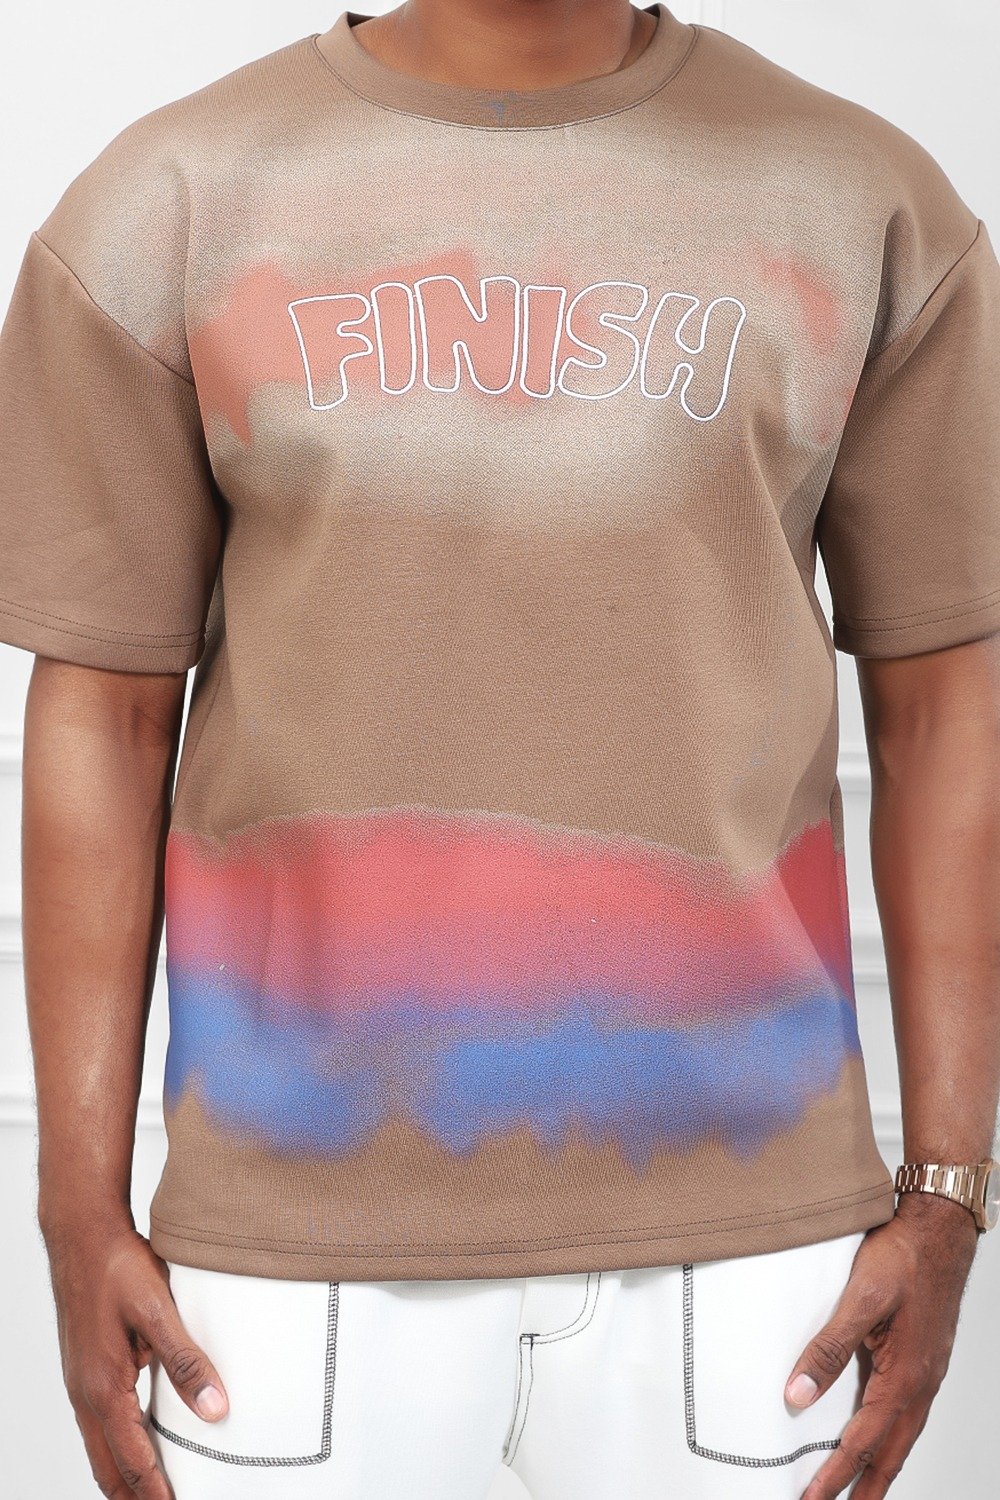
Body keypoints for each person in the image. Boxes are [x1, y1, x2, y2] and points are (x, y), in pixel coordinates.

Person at [1, 0, 998, 1495]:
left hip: (750, 1264)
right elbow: (103, 708)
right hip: (292, 1260)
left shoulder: (861, 200)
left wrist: (950, 1186)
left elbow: (944, 701)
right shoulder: (171, 201)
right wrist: (77, 1208)